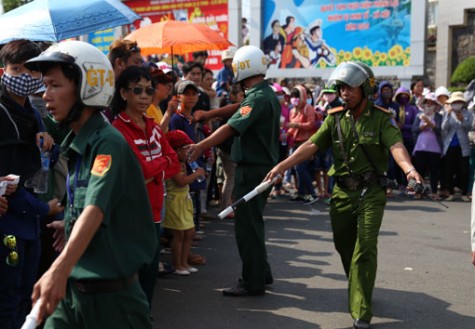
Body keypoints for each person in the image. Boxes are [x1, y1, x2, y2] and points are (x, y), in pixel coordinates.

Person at [265, 61, 422, 329]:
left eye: (350, 88)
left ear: (366, 89)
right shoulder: (335, 117)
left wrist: (409, 170)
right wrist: (282, 166)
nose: (345, 93)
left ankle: (361, 310)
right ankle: (359, 283)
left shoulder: (382, 118)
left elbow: (396, 145)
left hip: (371, 191)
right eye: (341, 88)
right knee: (343, 245)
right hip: (341, 193)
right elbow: (312, 144)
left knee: (365, 247)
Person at [25, 40, 157, 328]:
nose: (45, 95)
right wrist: (70, 224)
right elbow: (88, 207)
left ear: (88, 87)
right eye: (44, 86)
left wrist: (57, 270)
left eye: (54, 85)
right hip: (74, 292)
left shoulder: (107, 143)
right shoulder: (78, 143)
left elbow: (95, 209)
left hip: (113, 303)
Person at [187, 45, 280, 296]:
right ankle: (262, 272)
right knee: (253, 224)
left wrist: (201, 145)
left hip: (251, 170)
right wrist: (211, 113)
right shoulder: (262, 94)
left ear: (242, 68)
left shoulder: (258, 97)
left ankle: (252, 282)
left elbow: (231, 125)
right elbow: (237, 109)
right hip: (260, 167)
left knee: (247, 227)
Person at [0, 39, 63, 329]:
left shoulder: (35, 114)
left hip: (31, 222)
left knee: (28, 294)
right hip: (10, 220)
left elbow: (48, 157)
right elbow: (8, 181)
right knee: (9, 298)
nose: (26, 76)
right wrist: (43, 209)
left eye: (32, 70)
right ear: (4, 72)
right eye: (17, 68)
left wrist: (49, 145)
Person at [111, 65, 181, 313]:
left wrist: (154, 169)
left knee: (150, 273)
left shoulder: (153, 126)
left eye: (148, 90)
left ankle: (143, 316)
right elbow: (144, 171)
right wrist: (156, 169)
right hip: (131, 215)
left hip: (155, 213)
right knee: (131, 274)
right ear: (123, 93)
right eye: (137, 90)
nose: (144, 95)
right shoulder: (117, 129)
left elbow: (174, 162)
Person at [164, 130, 206, 275]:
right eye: (186, 148)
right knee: (179, 235)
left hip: (184, 200)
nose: (189, 151)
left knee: (189, 233)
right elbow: (180, 181)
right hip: (174, 201)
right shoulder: (172, 163)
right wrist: (196, 174)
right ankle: (177, 264)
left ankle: (184, 262)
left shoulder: (182, 162)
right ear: (176, 149)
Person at [287, 85, 318, 204]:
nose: (294, 99)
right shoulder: (292, 110)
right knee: (297, 169)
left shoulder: (308, 108)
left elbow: (311, 124)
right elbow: (291, 129)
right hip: (295, 143)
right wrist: (287, 134)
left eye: (297, 97)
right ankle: (302, 193)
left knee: (300, 168)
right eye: (292, 97)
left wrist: (297, 125)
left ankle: (312, 194)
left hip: (306, 143)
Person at [441, 91, 473, 202]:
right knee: (449, 169)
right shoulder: (448, 112)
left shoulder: (468, 113)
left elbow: (469, 127)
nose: (457, 104)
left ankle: (464, 192)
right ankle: (450, 192)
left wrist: (462, 119)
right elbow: (443, 128)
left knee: (464, 170)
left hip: (463, 146)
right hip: (450, 145)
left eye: (459, 102)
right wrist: (448, 114)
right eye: (455, 102)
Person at [411, 92, 443, 199]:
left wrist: (430, 124)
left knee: (434, 171)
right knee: (420, 170)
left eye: (431, 103)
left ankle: (434, 192)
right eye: (427, 103)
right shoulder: (419, 115)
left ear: (435, 105)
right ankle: (418, 191)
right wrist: (423, 126)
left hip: (435, 149)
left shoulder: (439, 117)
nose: (429, 105)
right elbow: (413, 129)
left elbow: (440, 131)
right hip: (421, 147)